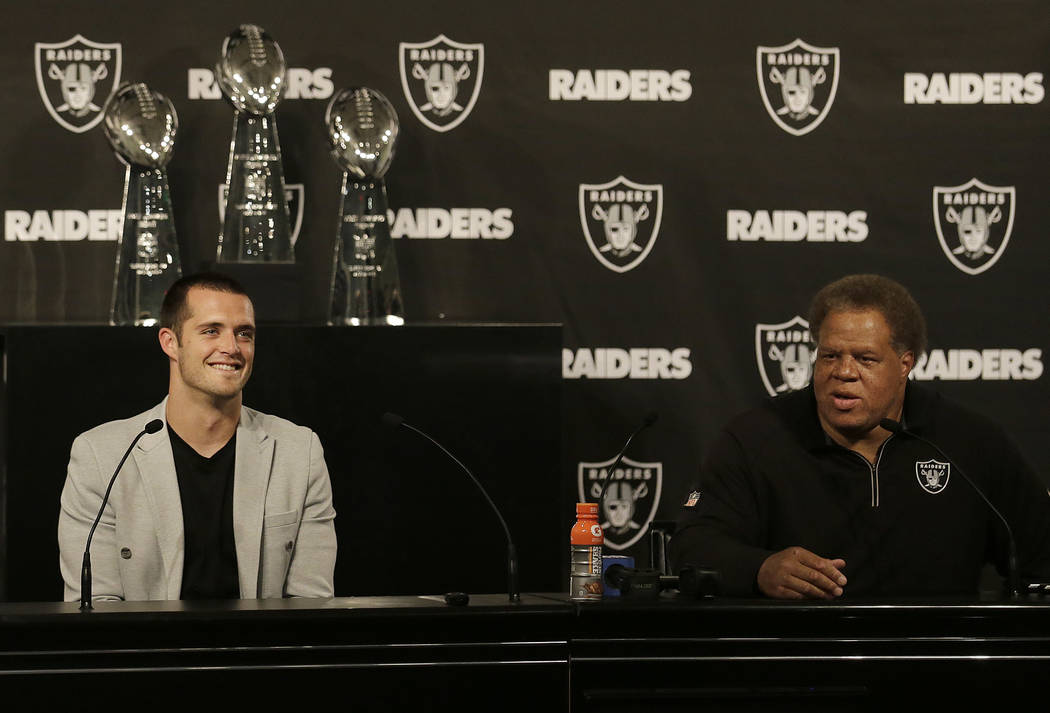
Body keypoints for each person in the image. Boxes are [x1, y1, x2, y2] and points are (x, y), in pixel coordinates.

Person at [670, 274, 1050, 599]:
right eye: (830, 356)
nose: (844, 372)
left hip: (934, 654)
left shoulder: (969, 443)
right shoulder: (755, 439)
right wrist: (760, 569)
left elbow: (1041, 552)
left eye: (865, 359)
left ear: (905, 363)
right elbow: (694, 545)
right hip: (804, 654)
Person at [58, 273, 337, 601]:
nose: (231, 348)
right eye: (211, 331)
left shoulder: (299, 452)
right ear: (170, 342)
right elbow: (95, 609)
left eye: (244, 333)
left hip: (263, 637)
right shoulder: (101, 456)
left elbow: (311, 605)